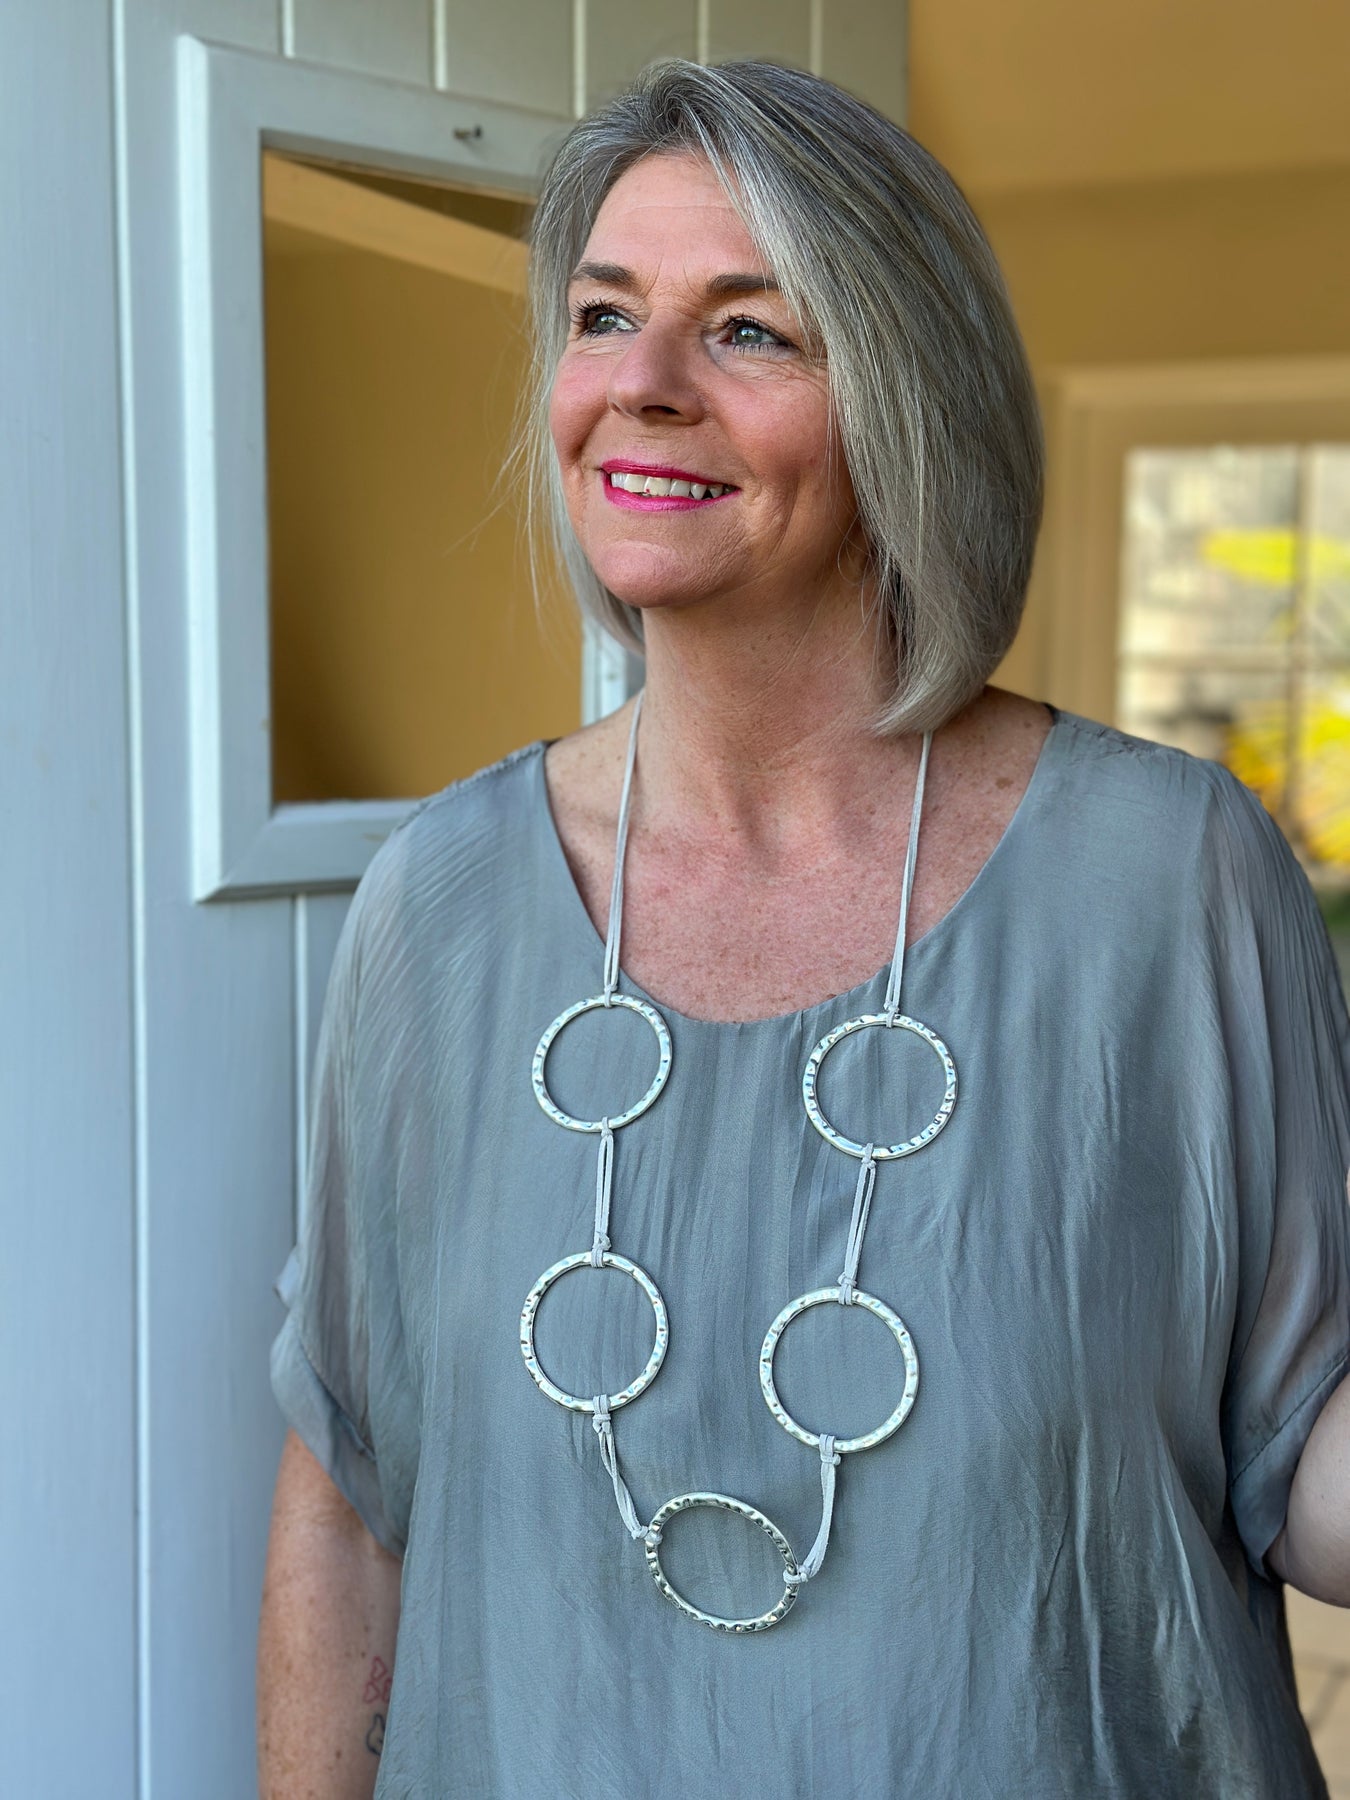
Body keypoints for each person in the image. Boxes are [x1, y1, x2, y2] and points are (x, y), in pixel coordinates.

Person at [256, 58, 1350, 1799]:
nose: (640, 383)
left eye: (747, 330)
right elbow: (347, 1504)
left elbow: (1308, 1465)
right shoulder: (438, 907)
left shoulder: (1168, 875)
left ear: (908, 402)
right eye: (603, 315)